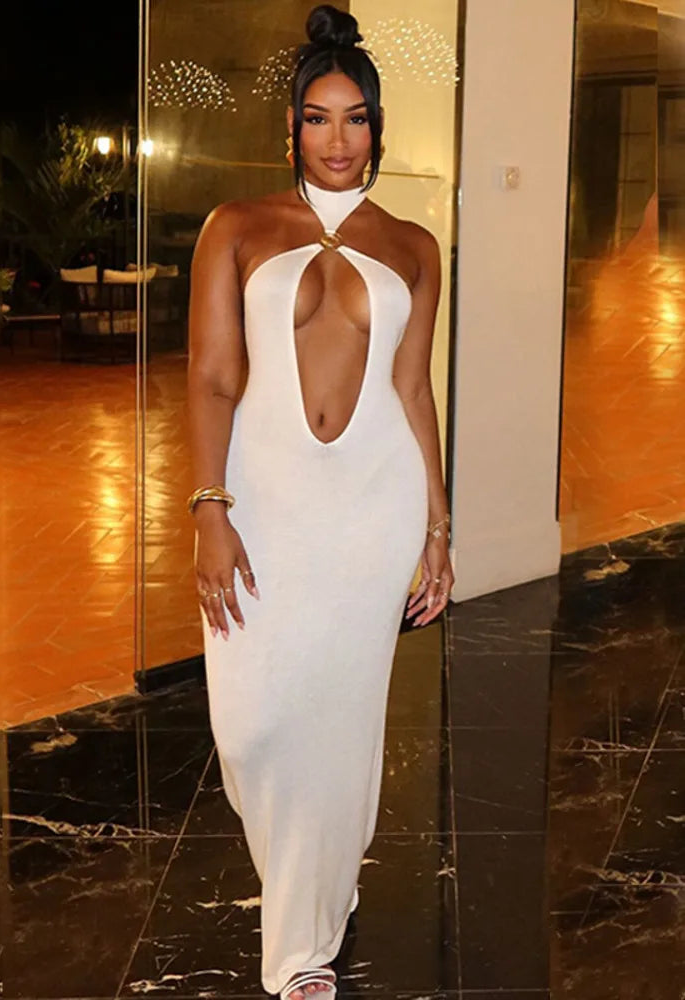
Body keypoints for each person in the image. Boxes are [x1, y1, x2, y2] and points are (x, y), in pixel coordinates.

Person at [186, 5, 454, 998]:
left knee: (340, 720)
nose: (337, 140)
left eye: (355, 118)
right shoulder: (237, 228)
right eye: (316, 118)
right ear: (290, 127)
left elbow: (414, 389)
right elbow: (213, 379)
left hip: (374, 505)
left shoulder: (416, 245)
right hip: (263, 500)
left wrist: (437, 525)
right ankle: (312, 888)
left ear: (377, 127)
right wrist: (209, 509)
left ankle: (303, 951)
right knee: (252, 723)